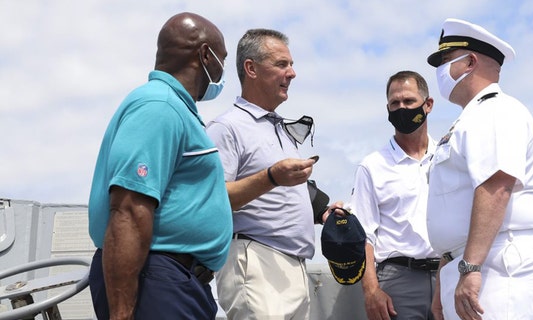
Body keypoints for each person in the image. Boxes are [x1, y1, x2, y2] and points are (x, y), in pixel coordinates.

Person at [87, 12, 232, 320]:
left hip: (175, 282)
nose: (222, 71)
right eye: (222, 59)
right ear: (205, 55)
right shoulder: (160, 107)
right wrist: (122, 315)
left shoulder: (174, 108)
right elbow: (128, 208)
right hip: (157, 281)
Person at [425, 18, 533, 320]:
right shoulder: (470, 119)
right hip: (472, 264)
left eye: (445, 60)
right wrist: (447, 275)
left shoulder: (496, 111)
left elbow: (496, 188)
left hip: (496, 265)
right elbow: (455, 207)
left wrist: (470, 267)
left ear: (469, 61)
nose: (440, 71)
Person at [206, 28, 338, 320]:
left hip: (293, 267)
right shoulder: (227, 128)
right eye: (281, 64)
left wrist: (325, 213)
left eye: (291, 65)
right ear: (250, 68)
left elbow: (281, 196)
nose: (292, 73)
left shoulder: (278, 129)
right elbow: (212, 200)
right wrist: (272, 177)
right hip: (255, 262)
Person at [350, 71, 439, 320]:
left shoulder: (448, 157)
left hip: (447, 274)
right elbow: (363, 235)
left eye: (409, 102)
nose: (402, 108)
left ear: (428, 105)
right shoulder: (372, 166)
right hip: (399, 283)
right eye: (394, 103)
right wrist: (371, 291)